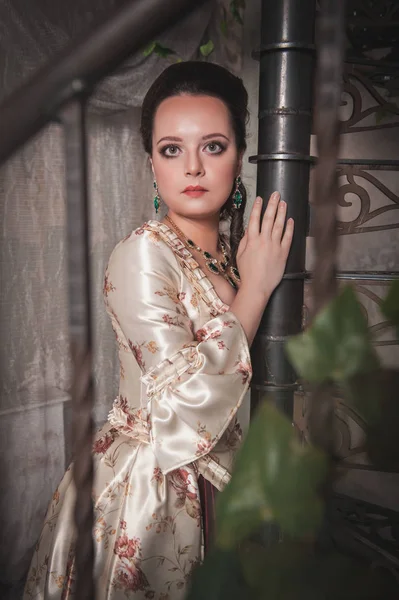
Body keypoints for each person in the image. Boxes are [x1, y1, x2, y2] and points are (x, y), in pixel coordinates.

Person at [24, 61, 294, 599]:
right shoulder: (142, 254)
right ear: (151, 161)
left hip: (226, 477)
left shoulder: (232, 255)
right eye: (172, 149)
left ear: (240, 155)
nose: (192, 166)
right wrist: (257, 291)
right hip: (151, 491)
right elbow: (186, 399)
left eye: (213, 146)